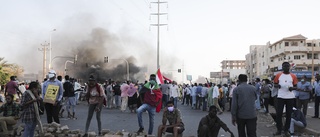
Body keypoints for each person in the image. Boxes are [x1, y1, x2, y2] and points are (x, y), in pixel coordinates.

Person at [273, 62, 298, 136]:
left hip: (290, 97)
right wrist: (278, 86)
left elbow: (296, 86)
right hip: (280, 96)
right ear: (282, 67)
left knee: (288, 114)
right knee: (279, 114)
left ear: (289, 67)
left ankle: (286, 130)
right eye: (284, 66)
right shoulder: (278, 75)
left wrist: (292, 88)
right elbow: (275, 84)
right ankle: (279, 130)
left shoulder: (293, 76)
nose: (286, 67)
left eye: (287, 66)